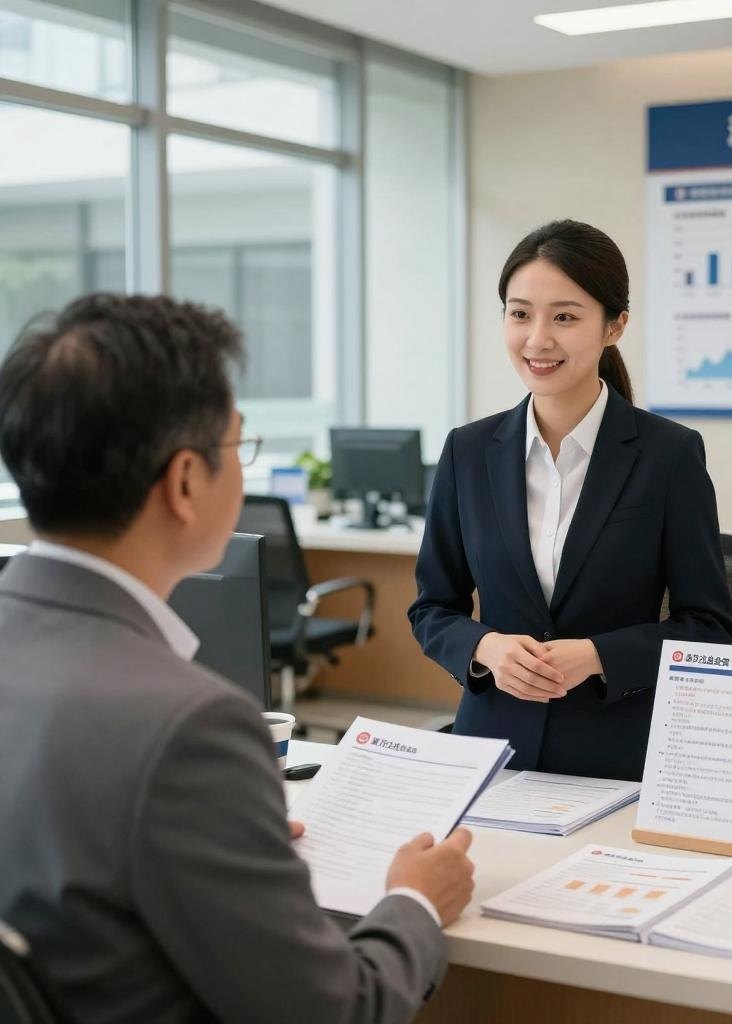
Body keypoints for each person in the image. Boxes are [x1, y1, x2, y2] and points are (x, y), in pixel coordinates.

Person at [0, 294, 474, 1024]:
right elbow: (340, 1012)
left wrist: (223, 832)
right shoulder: (190, 728)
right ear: (186, 482)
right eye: (238, 448)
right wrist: (413, 899)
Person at [409, 220, 732, 781]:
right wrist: (485, 647)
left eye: (565, 316)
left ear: (615, 326)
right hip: (492, 750)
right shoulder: (468, 451)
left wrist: (596, 656)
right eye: (519, 313)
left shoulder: (669, 455)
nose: (538, 339)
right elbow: (432, 608)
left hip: (618, 756)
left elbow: (708, 626)